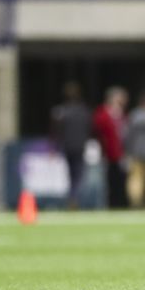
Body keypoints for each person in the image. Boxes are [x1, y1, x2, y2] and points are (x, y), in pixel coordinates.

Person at [49, 81, 93, 209]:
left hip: (68, 146)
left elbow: (56, 132)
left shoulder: (61, 112)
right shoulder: (83, 111)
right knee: (77, 174)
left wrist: (54, 147)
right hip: (79, 146)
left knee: (71, 174)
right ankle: (73, 197)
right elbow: (90, 129)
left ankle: (72, 197)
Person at [92, 86, 129, 209]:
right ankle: (109, 205)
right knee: (107, 181)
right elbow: (98, 130)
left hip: (121, 153)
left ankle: (120, 204)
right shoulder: (102, 113)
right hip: (107, 153)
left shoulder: (122, 115)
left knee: (121, 180)